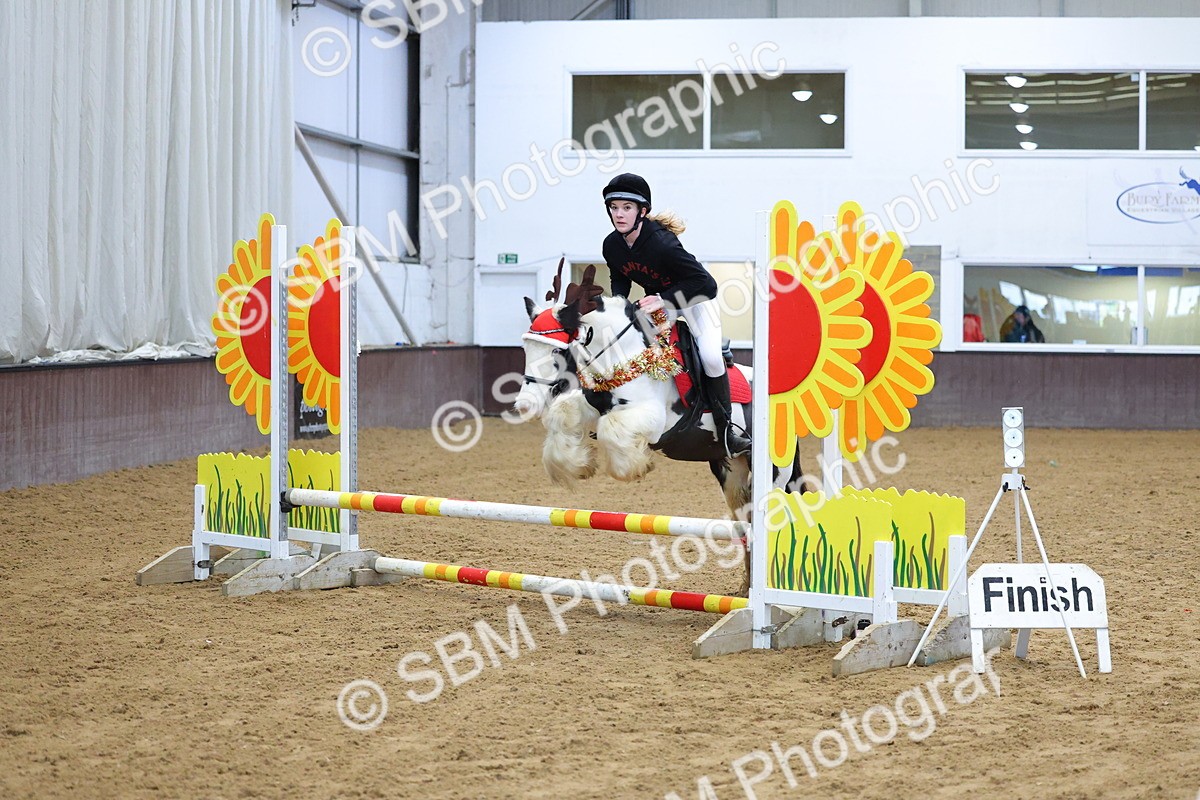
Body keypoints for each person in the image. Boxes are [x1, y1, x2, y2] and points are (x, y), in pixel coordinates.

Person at [599, 173, 752, 457]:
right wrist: (619, 307)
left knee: (710, 357)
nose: (619, 214)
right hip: (660, 305)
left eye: (627, 208)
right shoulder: (612, 245)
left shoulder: (662, 243)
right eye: (614, 207)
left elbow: (707, 284)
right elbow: (620, 279)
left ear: (642, 211)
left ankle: (727, 431)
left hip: (695, 300)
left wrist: (663, 299)